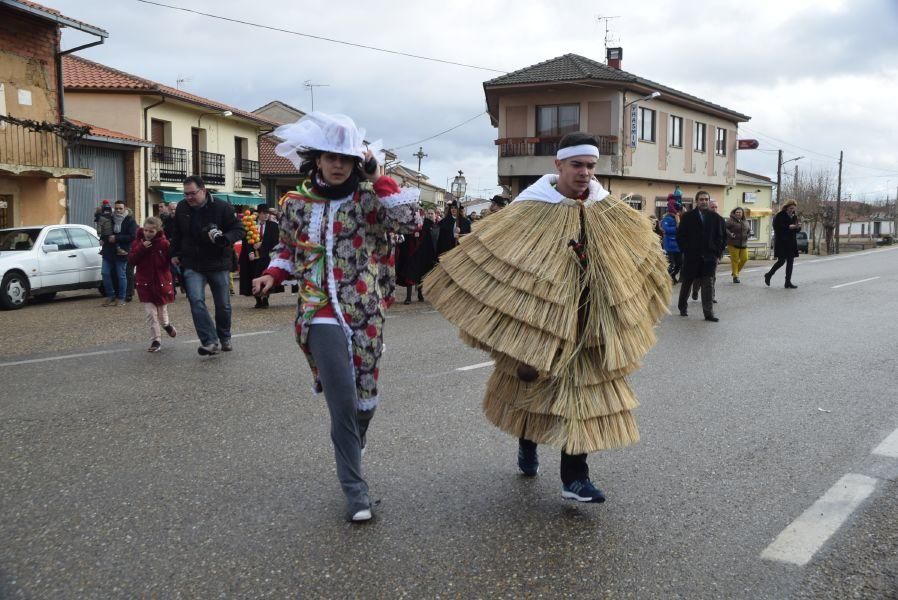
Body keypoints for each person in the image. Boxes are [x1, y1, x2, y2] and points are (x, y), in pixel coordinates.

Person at [423, 132, 670, 503]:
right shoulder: (529, 208)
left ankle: (575, 478)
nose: (585, 173)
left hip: (589, 324)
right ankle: (528, 441)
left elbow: (638, 253)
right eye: (577, 165)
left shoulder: (608, 209)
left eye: (590, 166)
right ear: (558, 165)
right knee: (533, 387)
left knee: (581, 396)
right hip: (541, 321)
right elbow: (499, 262)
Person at [252, 112, 421, 522]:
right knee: (342, 401)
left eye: (347, 158)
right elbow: (289, 251)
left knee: (364, 403)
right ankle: (356, 491)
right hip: (317, 309)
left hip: (364, 312)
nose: (339, 164)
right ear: (317, 159)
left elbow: (409, 221)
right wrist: (272, 275)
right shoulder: (295, 204)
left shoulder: (369, 199)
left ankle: (352, 442)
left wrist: (378, 176)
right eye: (332, 157)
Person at [169, 175, 244, 355]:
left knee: (223, 304)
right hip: (192, 263)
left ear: (203, 190)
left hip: (218, 263)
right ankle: (209, 341)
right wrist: (174, 253)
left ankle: (224, 336)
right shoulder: (182, 208)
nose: (188, 197)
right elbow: (177, 233)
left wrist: (225, 239)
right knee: (196, 301)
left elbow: (239, 229)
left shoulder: (222, 207)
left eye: (192, 193)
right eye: (186, 194)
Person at [128, 216, 177, 352]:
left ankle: (167, 325)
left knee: (162, 312)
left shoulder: (164, 244)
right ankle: (156, 340)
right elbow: (131, 260)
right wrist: (141, 248)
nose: (148, 234)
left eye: (151, 231)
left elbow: (171, 260)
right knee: (151, 314)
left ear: (158, 231)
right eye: (146, 230)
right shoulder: (137, 243)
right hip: (145, 284)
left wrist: (176, 261)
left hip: (161, 283)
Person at [677, 190, 726, 321]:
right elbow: (681, 236)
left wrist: (717, 253)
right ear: (696, 201)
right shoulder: (687, 217)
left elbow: (721, 237)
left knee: (708, 285)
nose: (704, 201)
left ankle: (708, 313)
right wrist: (686, 251)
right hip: (691, 256)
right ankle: (682, 307)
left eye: (706, 199)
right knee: (687, 283)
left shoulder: (716, 218)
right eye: (701, 199)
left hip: (709, 257)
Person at [96, 199, 136, 306]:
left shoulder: (130, 221)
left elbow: (132, 236)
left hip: (122, 252)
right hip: (109, 251)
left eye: (120, 208)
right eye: (116, 208)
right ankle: (110, 296)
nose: (118, 210)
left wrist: (117, 238)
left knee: (121, 275)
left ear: (125, 208)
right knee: (105, 273)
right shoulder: (110, 218)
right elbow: (104, 229)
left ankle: (121, 298)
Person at [239, 205, 280, 308]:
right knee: (254, 277)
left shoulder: (273, 226)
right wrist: (250, 252)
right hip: (254, 259)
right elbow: (246, 241)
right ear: (259, 214)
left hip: (267, 257)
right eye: (264, 213)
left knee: (265, 277)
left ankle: (265, 298)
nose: (266, 215)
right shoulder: (250, 225)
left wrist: (262, 243)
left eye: (267, 213)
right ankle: (257, 299)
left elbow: (275, 241)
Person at [691, 198, 727, 302]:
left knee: (712, 277)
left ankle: (711, 296)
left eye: (716, 207)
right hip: (699, 254)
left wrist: (719, 252)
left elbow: (724, 236)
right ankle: (695, 289)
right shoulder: (701, 219)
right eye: (712, 207)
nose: (714, 209)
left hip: (713, 254)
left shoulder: (720, 219)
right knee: (698, 276)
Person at [765, 200, 801, 289]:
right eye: (790, 208)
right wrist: (790, 227)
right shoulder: (779, 215)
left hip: (791, 242)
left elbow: (796, 230)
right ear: (786, 207)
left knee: (790, 262)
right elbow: (777, 227)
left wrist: (798, 227)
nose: (792, 210)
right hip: (782, 241)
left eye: (793, 208)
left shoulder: (794, 216)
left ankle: (788, 282)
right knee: (781, 261)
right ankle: (769, 275)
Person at [660, 196, 682, 283]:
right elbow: (666, 230)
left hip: (678, 247)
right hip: (669, 246)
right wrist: (677, 227)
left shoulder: (678, 218)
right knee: (671, 265)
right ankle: (667, 279)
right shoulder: (666, 219)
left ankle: (672, 276)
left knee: (679, 264)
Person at [726, 207, 751, 283]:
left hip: (743, 243)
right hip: (733, 243)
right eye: (737, 212)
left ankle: (735, 272)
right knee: (735, 260)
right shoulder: (730, 221)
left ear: (742, 213)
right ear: (734, 213)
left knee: (745, 258)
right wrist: (730, 234)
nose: (738, 213)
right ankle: (736, 277)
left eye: (740, 212)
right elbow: (724, 228)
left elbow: (749, 230)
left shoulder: (746, 222)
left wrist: (749, 235)